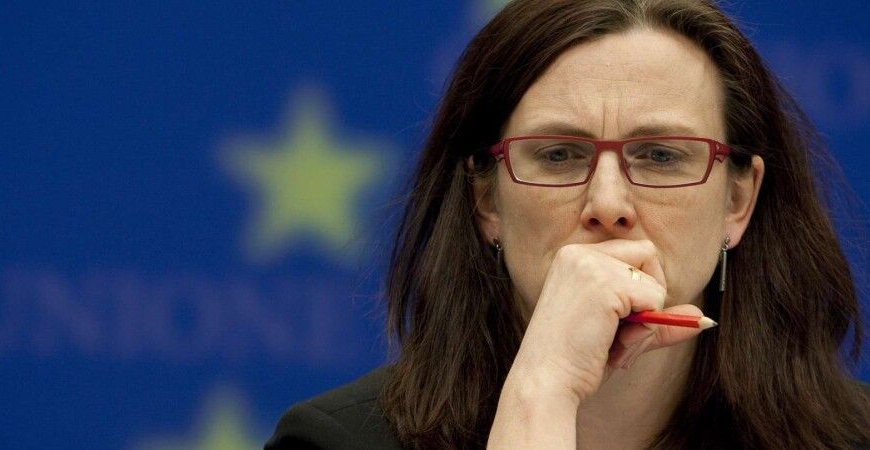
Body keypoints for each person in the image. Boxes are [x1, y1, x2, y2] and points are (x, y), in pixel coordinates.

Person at [266, 0, 870, 448]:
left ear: (737, 201)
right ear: (487, 201)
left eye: (661, 156)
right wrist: (541, 393)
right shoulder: (333, 444)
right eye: (558, 155)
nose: (608, 203)